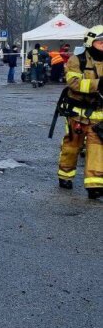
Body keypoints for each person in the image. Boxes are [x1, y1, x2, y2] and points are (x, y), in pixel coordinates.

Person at [58, 26, 103, 199]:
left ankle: (94, 186)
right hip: (77, 114)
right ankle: (65, 175)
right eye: (100, 42)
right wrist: (97, 85)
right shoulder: (76, 60)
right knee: (72, 146)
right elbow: (74, 83)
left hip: (99, 115)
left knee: (97, 148)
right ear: (91, 42)